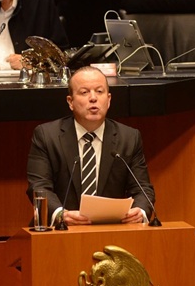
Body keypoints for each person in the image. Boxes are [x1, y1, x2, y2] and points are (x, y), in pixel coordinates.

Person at [26, 66, 156, 226]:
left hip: (111, 228)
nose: (93, 98)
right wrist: (61, 215)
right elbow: (38, 187)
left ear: (109, 100)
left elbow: (143, 189)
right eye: (84, 92)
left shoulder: (129, 137)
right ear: (70, 102)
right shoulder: (47, 136)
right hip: (61, 230)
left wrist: (139, 211)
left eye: (99, 91)